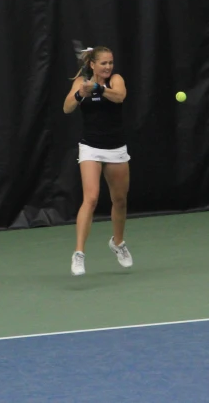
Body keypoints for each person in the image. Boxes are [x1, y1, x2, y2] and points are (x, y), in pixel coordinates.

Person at [63, 46, 133, 276]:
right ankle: (79, 254)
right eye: (103, 63)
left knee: (120, 200)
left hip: (115, 148)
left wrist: (99, 89)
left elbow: (120, 96)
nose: (108, 67)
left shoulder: (116, 80)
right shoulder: (81, 83)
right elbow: (66, 108)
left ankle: (118, 243)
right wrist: (79, 94)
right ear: (92, 64)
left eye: (110, 62)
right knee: (91, 198)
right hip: (90, 148)